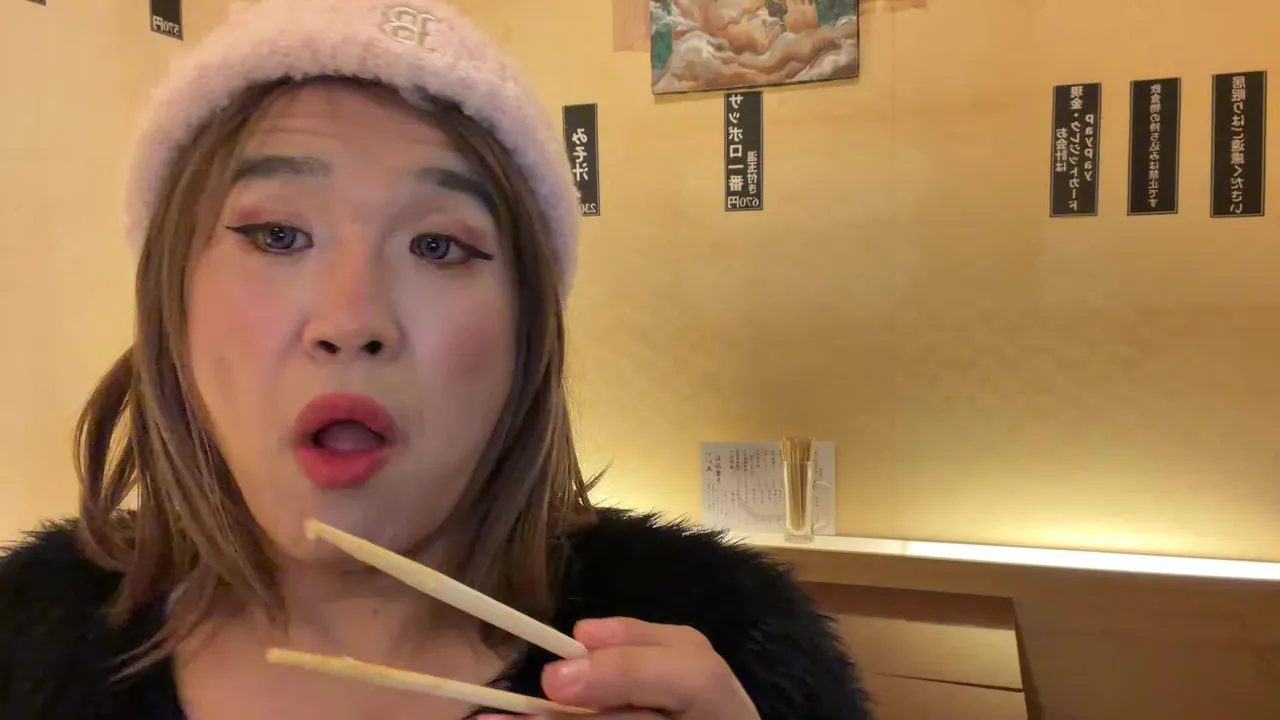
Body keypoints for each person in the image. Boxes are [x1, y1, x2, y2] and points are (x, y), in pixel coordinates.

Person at [0, 1, 870, 718]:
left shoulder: (725, 649)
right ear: (172, 305)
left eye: (439, 246)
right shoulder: (21, 641)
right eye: (277, 234)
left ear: (526, 339)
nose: (352, 321)